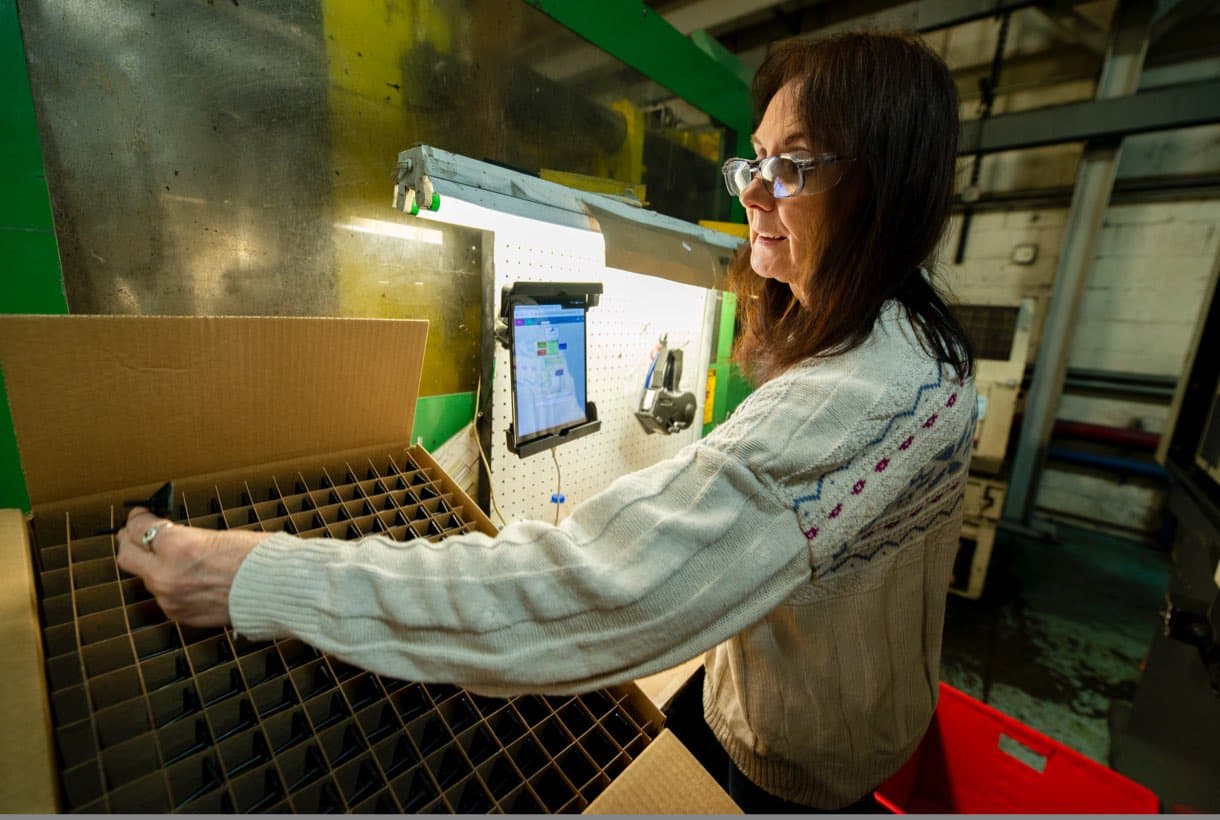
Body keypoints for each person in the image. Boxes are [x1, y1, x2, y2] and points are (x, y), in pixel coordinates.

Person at [117, 30, 975, 813]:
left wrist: (252, 576)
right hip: (804, 720)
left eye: (792, 167)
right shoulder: (915, 341)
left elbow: (591, 593)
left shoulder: (863, 396)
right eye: (753, 160)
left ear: (882, 189)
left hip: (798, 770)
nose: (754, 192)